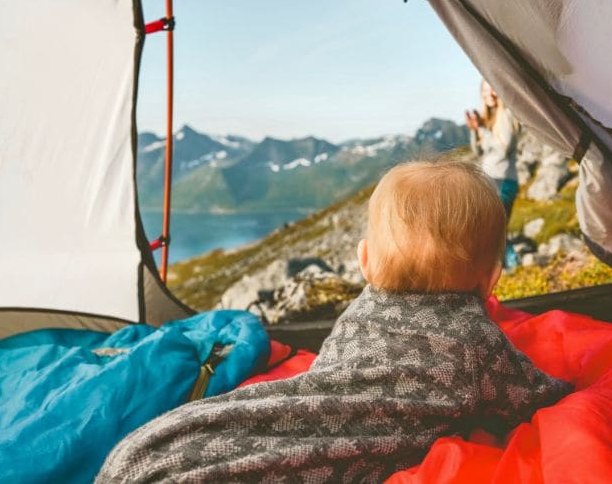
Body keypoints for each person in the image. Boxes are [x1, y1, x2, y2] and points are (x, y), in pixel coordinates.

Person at [97, 159, 571, 484]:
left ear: (365, 261)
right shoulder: (476, 343)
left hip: (152, 444)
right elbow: (536, 396)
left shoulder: (359, 310)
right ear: (492, 278)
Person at [466, 80, 521, 269]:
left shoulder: (506, 115)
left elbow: (504, 149)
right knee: (493, 230)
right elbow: (479, 151)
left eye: (493, 89)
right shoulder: (488, 118)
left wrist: (481, 130)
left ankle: (513, 267)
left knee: (495, 230)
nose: (490, 94)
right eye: (485, 91)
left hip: (504, 180)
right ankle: (507, 268)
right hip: (491, 180)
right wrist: (475, 130)